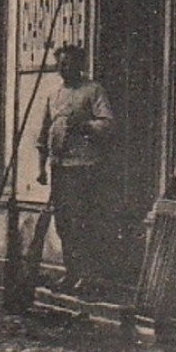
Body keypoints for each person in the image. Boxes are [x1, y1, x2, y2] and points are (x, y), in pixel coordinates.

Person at [35, 43, 114, 292]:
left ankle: (88, 276)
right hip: (60, 168)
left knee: (84, 221)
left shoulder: (93, 90)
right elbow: (43, 134)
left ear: (79, 65)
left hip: (85, 167)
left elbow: (108, 123)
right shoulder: (53, 95)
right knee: (64, 223)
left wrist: (85, 126)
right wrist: (41, 168)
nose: (62, 67)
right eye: (59, 63)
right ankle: (71, 272)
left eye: (67, 63)